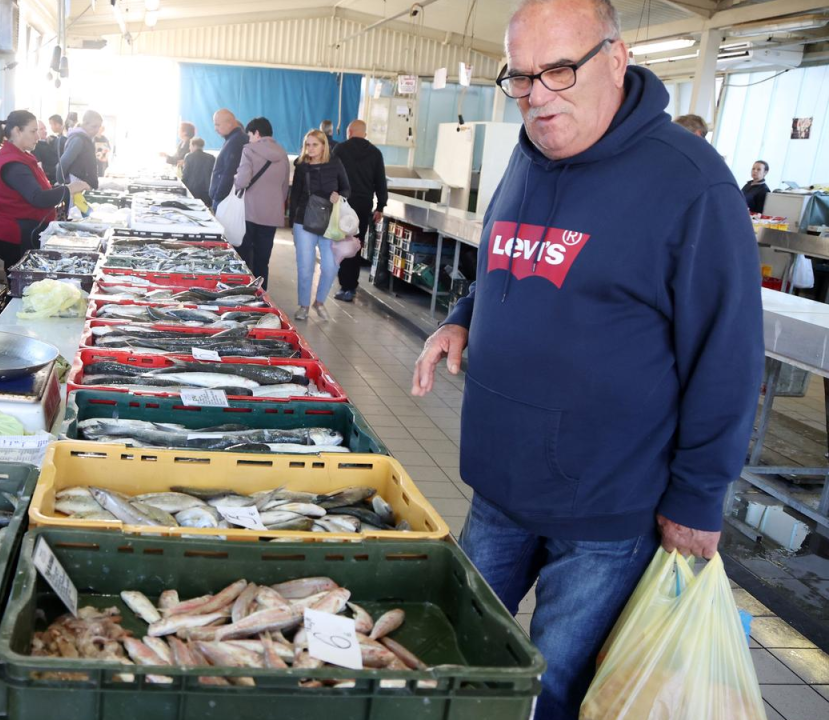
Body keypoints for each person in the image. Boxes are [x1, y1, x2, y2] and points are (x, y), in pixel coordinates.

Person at [409, 1, 762, 717]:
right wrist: (461, 319)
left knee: (555, 687)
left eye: (561, 70)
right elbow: (504, 264)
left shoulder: (690, 183)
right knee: (445, 654)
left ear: (616, 59)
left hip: (606, 509)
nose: (537, 95)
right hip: (500, 484)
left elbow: (727, 355)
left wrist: (698, 498)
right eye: (521, 76)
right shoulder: (527, 154)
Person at [0, 110, 90, 268]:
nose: (37, 137)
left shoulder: (22, 157)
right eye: (33, 131)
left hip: (28, 230)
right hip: (16, 235)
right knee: (21, 280)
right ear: (17, 131)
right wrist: (69, 188)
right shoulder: (12, 163)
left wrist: (60, 189)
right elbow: (38, 197)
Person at [288, 130, 351, 321]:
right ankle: (304, 306)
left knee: (331, 266)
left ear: (324, 146)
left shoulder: (335, 163)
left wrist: (339, 196)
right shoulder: (301, 166)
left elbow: (347, 188)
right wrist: (292, 224)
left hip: (329, 223)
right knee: (305, 267)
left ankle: (320, 302)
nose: (310, 148)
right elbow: (295, 195)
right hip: (303, 221)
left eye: (315, 144)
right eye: (307, 145)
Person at [332, 119, 388, 302]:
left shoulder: (340, 149)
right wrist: (380, 206)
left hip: (343, 204)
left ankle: (344, 284)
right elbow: (381, 182)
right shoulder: (375, 153)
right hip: (363, 206)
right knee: (356, 244)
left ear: (349, 132)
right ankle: (350, 287)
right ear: (365, 134)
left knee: (342, 242)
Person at [233, 117, 290, 287]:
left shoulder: (249, 150)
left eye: (250, 135)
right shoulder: (283, 153)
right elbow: (284, 187)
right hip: (272, 214)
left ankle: (243, 291)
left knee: (244, 256)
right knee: (262, 260)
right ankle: (261, 293)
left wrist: (236, 180)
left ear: (257, 133)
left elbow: (242, 181)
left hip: (249, 212)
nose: (250, 139)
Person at [208, 109, 246, 212]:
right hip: (226, 197)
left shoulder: (235, 141)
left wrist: (218, 196)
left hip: (225, 199)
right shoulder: (233, 139)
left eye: (217, 125)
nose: (215, 129)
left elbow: (229, 172)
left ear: (229, 123)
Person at [58, 109, 102, 188]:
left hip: (84, 183)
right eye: (94, 126)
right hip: (77, 183)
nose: (96, 130)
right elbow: (63, 162)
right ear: (84, 124)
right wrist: (61, 182)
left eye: (99, 127)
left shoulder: (86, 139)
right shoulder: (78, 140)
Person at [182, 137, 215, 205]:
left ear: (194, 145)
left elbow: (185, 174)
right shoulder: (211, 157)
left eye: (190, 146)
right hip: (207, 190)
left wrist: (182, 187)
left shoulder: (189, 156)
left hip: (192, 189)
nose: (189, 148)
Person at [32, 118, 60, 186]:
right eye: (41, 129)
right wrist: (57, 168)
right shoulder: (35, 146)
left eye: (45, 128)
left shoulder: (51, 140)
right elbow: (40, 167)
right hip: (51, 180)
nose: (44, 131)